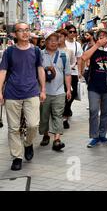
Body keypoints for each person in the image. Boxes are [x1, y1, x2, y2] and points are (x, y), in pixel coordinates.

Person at [0, 22, 46, 171]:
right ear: (14, 34)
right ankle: (17, 157)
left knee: (33, 124)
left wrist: (43, 89)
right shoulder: (9, 52)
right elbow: (3, 72)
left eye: (27, 30)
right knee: (13, 128)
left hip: (32, 92)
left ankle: (28, 143)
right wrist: (0, 91)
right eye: (21, 31)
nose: (25, 33)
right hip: (12, 93)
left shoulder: (37, 51)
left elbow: (40, 70)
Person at [39, 32, 71, 152]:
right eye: (50, 40)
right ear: (45, 42)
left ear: (59, 42)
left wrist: (68, 89)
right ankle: (45, 135)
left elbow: (67, 73)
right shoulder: (40, 54)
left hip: (59, 91)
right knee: (44, 116)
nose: (53, 42)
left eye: (55, 40)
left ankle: (57, 139)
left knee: (58, 115)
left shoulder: (63, 55)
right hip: (43, 92)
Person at [56, 29, 76, 129]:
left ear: (65, 37)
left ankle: (65, 117)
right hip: (55, 78)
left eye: (61, 36)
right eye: (57, 36)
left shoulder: (69, 51)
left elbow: (73, 62)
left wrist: (69, 66)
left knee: (67, 97)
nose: (59, 38)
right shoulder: (52, 50)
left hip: (67, 77)